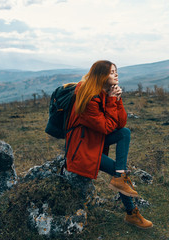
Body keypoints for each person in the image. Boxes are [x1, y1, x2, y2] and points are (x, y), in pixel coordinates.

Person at [64, 60, 153, 229]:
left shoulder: (104, 92)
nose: (116, 74)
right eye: (112, 72)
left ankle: (120, 177)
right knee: (114, 169)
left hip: (94, 141)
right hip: (82, 149)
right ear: (101, 76)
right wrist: (112, 100)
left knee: (124, 133)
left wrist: (117, 100)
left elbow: (120, 124)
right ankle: (132, 213)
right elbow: (106, 128)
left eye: (116, 71)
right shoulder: (89, 97)